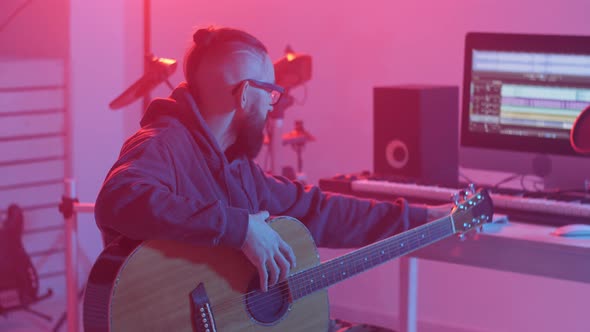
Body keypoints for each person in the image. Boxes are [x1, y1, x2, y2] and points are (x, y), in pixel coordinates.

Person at [94, 26, 450, 293]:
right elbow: (118, 199)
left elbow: (318, 210)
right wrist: (241, 229)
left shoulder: (237, 168)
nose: (272, 104)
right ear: (246, 95)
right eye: (272, 93)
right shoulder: (163, 143)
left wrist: (422, 218)